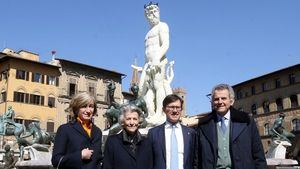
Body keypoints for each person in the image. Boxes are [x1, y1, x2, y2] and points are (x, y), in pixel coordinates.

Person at [197, 84, 267, 169]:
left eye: (223, 98)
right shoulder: (203, 125)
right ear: (212, 102)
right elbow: (197, 159)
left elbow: (258, 155)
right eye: (216, 99)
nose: (220, 102)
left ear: (231, 101)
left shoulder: (246, 121)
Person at [52, 92, 102, 169]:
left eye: (91, 106)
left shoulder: (98, 132)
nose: (88, 110)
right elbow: (56, 161)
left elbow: (98, 160)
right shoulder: (65, 129)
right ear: (76, 108)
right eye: (84, 106)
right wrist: (80, 155)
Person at [148, 94, 198, 169]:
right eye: (171, 107)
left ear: (181, 110)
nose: (175, 110)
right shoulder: (153, 133)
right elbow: (148, 161)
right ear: (164, 109)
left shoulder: (191, 133)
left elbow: (195, 160)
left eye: (178, 107)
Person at [140, 2, 171, 119]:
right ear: (146, 16)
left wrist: (157, 59)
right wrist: (143, 67)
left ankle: (160, 113)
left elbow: (166, 44)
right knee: (145, 92)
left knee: (158, 86)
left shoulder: (162, 26)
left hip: (158, 61)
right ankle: (150, 114)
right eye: (149, 13)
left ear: (159, 12)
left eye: (154, 12)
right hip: (148, 65)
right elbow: (147, 52)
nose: (152, 15)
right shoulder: (147, 34)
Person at [103, 104, 153, 169]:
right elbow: (107, 166)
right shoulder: (112, 142)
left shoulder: (147, 143)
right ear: (123, 121)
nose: (132, 123)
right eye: (128, 119)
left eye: (135, 119)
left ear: (139, 122)